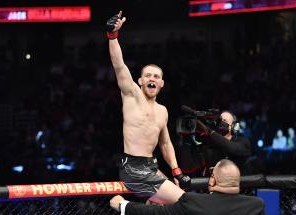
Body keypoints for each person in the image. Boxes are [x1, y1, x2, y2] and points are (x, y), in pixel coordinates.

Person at [106, 11, 190, 203]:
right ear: (140, 81)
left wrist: (176, 171)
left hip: (150, 166)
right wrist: (112, 36)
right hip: (133, 169)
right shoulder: (132, 95)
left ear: (162, 84)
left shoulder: (163, 111)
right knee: (185, 202)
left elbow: (165, 143)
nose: (152, 79)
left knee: (161, 207)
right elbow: (119, 65)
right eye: (148, 76)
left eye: (156, 77)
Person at [110, 159, 266, 215]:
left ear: (212, 181)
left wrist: (124, 205)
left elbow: (156, 212)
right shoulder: (256, 206)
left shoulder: (193, 201)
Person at [190, 111, 252, 175]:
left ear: (234, 126)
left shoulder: (243, 141)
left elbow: (232, 148)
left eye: (224, 121)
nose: (220, 123)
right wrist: (187, 139)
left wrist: (209, 131)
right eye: (219, 120)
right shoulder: (210, 143)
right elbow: (189, 168)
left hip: (235, 183)